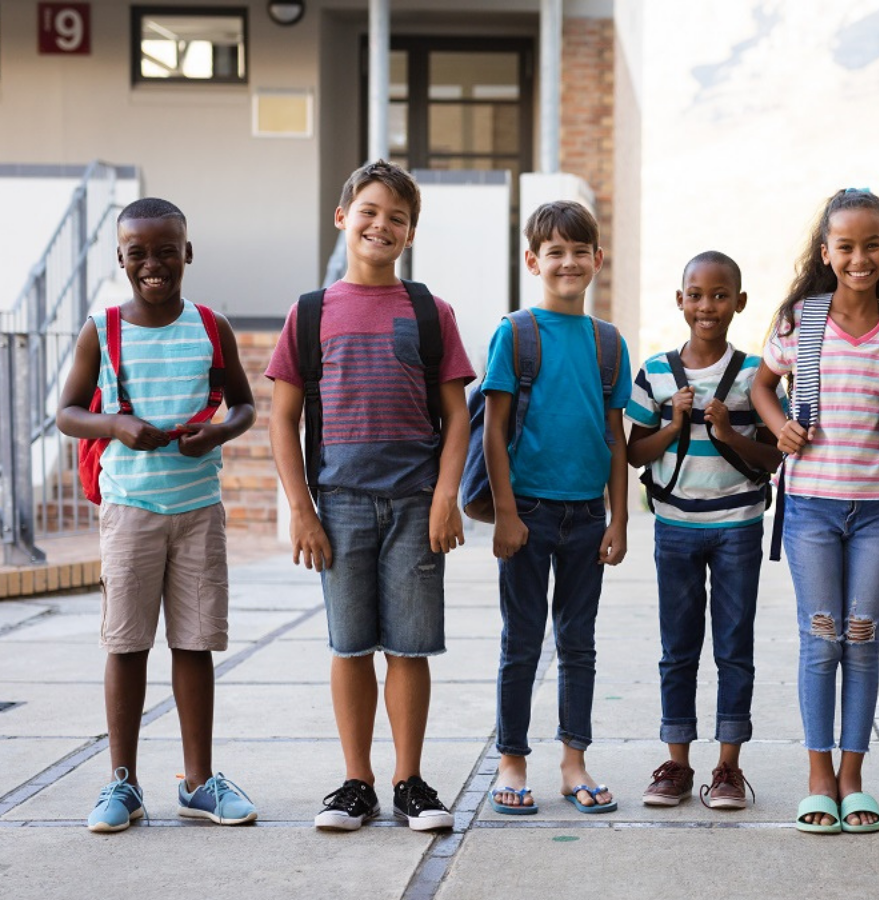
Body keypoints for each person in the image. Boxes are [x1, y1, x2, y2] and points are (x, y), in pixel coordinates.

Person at [267, 160, 473, 833]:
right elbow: (281, 418)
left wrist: (447, 495)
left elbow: (457, 413)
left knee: (408, 647)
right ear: (342, 217)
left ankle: (409, 781)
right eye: (370, 211)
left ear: (410, 233)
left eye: (397, 218)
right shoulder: (309, 313)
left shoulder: (428, 311)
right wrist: (302, 510)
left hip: (416, 503)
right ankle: (356, 783)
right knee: (351, 645)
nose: (381, 225)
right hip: (341, 505)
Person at [57, 197, 259, 832]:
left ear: (187, 253)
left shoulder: (211, 325)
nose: (153, 264)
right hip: (130, 510)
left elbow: (245, 406)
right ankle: (123, 783)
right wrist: (115, 423)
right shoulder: (103, 328)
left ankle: (198, 781)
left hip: (198, 510)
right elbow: (66, 412)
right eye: (138, 253)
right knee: (126, 645)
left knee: (195, 643)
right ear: (120, 258)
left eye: (166, 251)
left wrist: (218, 434)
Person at [750, 189, 879, 834]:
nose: (861, 257)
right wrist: (778, 426)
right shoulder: (799, 321)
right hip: (811, 508)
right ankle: (817, 779)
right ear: (826, 253)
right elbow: (760, 385)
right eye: (847, 247)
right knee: (820, 637)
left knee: (861, 638)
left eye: (873, 245)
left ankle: (853, 779)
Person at [481, 200, 632, 816]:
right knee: (521, 640)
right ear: (532, 260)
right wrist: (507, 512)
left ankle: (574, 760)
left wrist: (620, 517)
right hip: (529, 513)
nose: (567, 262)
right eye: (554, 252)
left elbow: (615, 435)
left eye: (579, 251)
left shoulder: (607, 342)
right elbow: (492, 432)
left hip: (586, 518)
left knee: (579, 642)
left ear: (597, 259)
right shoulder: (515, 333)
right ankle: (512, 760)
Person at [627, 251, 782, 810]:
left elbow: (772, 458)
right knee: (678, 648)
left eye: (719, 295)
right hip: (675, 528)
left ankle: (727, 768)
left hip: (738, 526)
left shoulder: (754, 374)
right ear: (679, 300)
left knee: (735, 648)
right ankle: (676, 763)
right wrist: (673, 424)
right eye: (695, 294)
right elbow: (631, 453)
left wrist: (726, 429)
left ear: (739, 303)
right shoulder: (656, 371)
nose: (706, 306)